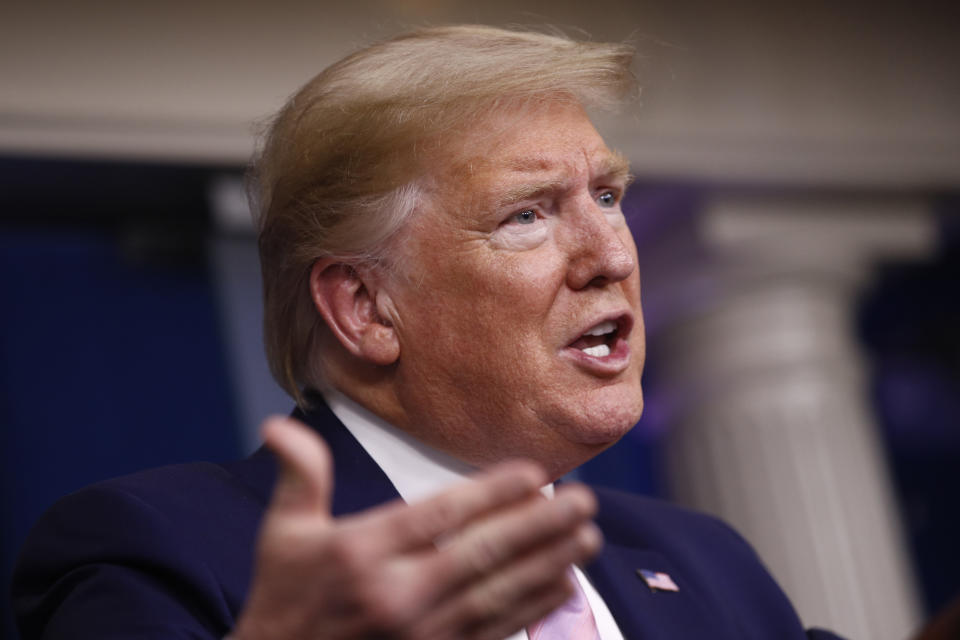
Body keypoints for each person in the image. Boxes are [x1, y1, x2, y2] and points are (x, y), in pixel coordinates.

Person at [12, 25, 844, 639]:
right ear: (366, 308)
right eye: (527, 214)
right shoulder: (162, 553)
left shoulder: (704, 563)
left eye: (608, 196)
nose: (610, 256)